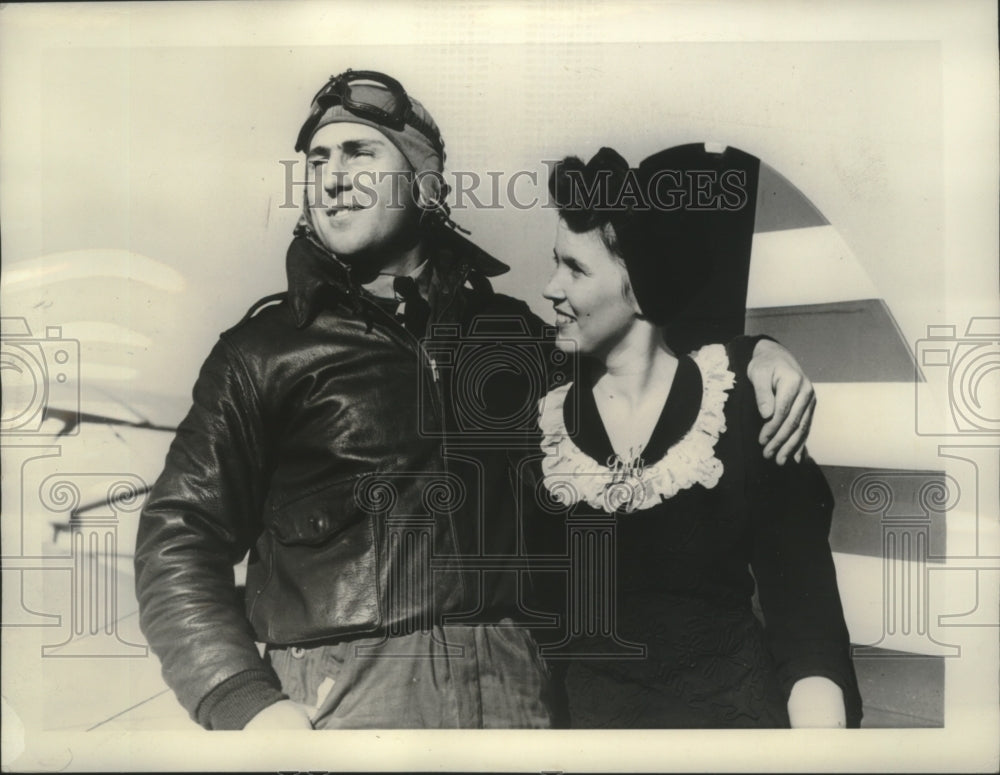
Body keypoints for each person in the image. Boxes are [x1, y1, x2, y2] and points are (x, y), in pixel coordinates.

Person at [134, 69, 819, 730]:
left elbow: (640, 349)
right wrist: (243, 703)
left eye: (358, 153)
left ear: (423, 180)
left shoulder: (518, 336)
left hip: (520, 701)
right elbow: (177, 539)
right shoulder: (262, 353)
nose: (331, 178)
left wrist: (750, 351)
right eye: (316, 160)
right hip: (345, 705)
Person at [531, 145, 863, 728]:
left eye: (575, 269)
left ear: (642, 286)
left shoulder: (738, 410)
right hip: (588, 736)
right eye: (555, 262)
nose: (549, 288)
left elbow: (805, 617)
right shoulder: (543, 418)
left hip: (732, 727)